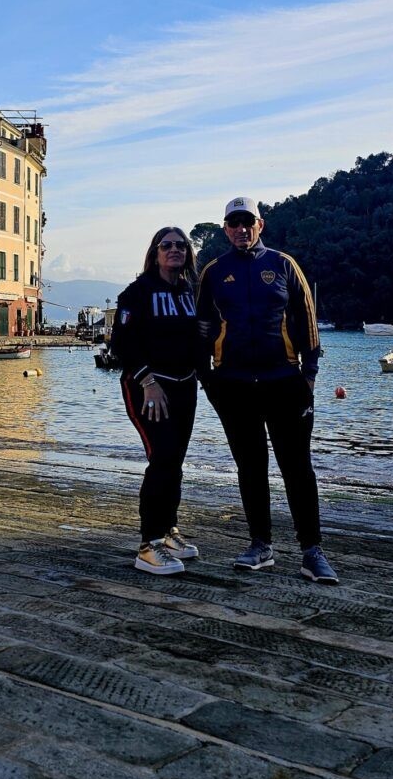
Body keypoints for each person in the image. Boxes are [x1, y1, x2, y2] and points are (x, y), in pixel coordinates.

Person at [196, 195, 338, 584]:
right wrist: (208, 378)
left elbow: (308, 321)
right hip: (234, 386)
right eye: (233, 223)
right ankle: (261, 545)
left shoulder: (283, 265)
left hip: (284, 382)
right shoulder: (213, 271)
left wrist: (308, 377)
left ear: (260, 225)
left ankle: (312, 551)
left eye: (248, 222)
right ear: (225, 229)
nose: (241, 229)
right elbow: (203, 327)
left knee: (297, 468)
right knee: (251, 467)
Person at [110, 226, 202, 575]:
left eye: (181, 246)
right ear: (155, 252)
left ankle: (168, 532)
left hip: (184, 386)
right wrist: (147, 380)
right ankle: (148, 545)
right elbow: (122, 343)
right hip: (148, 387)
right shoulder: (137, 292)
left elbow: (199, 338)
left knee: (175, 461)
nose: (175, 250)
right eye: (167, 245)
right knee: (161, 458)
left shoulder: (190, 291)